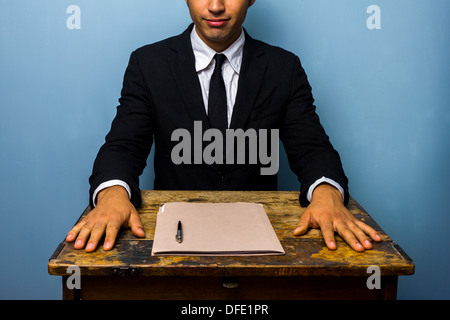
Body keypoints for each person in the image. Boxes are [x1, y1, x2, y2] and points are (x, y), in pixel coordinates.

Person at [66, 0, 381, 253]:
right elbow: (123, 144)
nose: (215, 7)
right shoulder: (148, 64)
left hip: (259, 244)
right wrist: (111, 195)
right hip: (174, 240)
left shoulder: (283, 68)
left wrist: (326, 192)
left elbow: (311, 146)